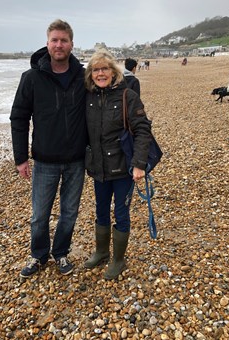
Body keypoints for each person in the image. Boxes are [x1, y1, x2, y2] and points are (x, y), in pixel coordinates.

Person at [10, 19, 87, 278]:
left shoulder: (82, 76)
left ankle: (61, 252)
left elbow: (104, 95)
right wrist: (21, 158)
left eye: (64, 40)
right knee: (39, 216)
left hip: (77, 160)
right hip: (44, 161)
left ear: (71, 45)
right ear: (47, 43)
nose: (59, 45)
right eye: (54, 40)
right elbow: (19, 117)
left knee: (69, 213)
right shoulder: (31, 78)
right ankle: (39, 254)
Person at [84, 51, 153, 280]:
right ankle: (102, 252)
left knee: (121, 214)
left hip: (123, 169)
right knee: (100, 210)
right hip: (99, 168)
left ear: (113, 72)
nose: (100, 73)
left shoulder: (127, 96)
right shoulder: (88, 97)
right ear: (90, 74)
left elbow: (143, 130)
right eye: (96, 69)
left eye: (105, 69)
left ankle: (118, 259)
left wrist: (139, 164)